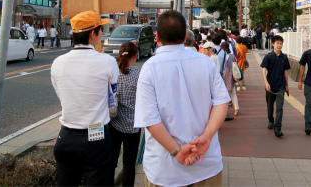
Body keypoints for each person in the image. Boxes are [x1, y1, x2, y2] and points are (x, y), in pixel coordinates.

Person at [134, 10, 230, 187]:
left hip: (163, 169)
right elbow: (221, 102)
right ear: (186, 36)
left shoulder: (149, 68)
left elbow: (150, 119)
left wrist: (176, 150)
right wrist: (207, 136)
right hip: (205, 163)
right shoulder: (206, 62)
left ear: (157, 36)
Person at [50, 11, 118, 187]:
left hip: (66, 136)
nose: (102, 33)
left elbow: (60, 93)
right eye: (100, 29)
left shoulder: (58, 62)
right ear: (93, 34)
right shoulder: (107, 61)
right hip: (97, 137)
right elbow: (112, 96)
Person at [110, 42, 141, 187]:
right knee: (129, 164)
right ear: (135, 56)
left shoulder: (113, 72)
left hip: (114, 123)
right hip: (132, 126)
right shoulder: (137, 74)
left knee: (111, 161)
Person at [260, 35, 290, 137]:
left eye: (281, 43)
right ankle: (270, 120)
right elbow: (264, 71)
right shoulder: (268, 57)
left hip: (281, 86)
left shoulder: (284, 57)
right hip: (270, 85)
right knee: (270, 105)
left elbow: (285, 72)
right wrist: (266, 83)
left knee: (279, 107)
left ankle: (278, 128)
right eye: (277, 43)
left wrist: (287, 86)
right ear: (273, 44)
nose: (279, 45)